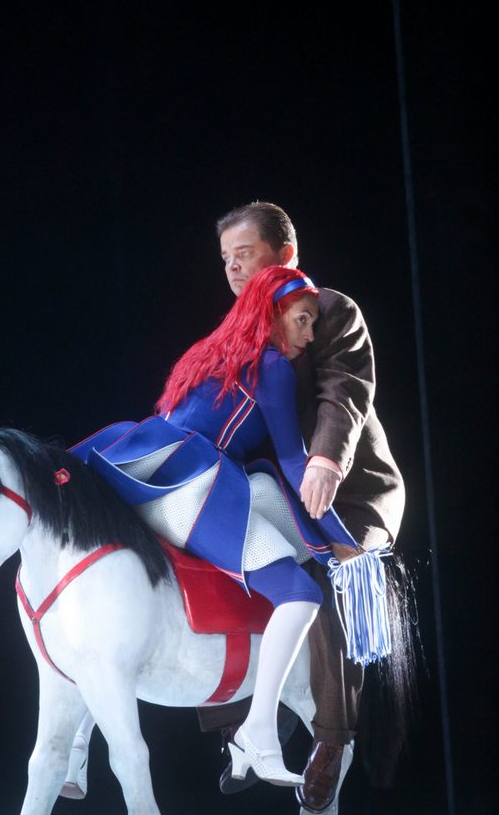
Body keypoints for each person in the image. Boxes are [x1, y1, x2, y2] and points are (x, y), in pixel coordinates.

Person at [63, 265, 388, 794]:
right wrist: (343, 541)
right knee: (301, 593)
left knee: (114, 625)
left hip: (138, 470)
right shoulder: (273, 366)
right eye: (303, 320)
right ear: (273, 313)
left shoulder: (209, 355)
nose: (308, 335)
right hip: (193, 486)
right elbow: (290, 458)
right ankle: (259, 731)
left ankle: (76, 746)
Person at [200, 201, 405, 811]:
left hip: (347, 485)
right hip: (277, 478)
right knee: (218, 540)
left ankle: (333, 740)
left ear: (284, 256)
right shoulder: (238, 326)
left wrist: (325, 460)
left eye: (247, 255)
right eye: (226, 260)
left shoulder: (330, 308)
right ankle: (239, 716)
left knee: (332, 582)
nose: (235, 270)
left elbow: (345, 389)